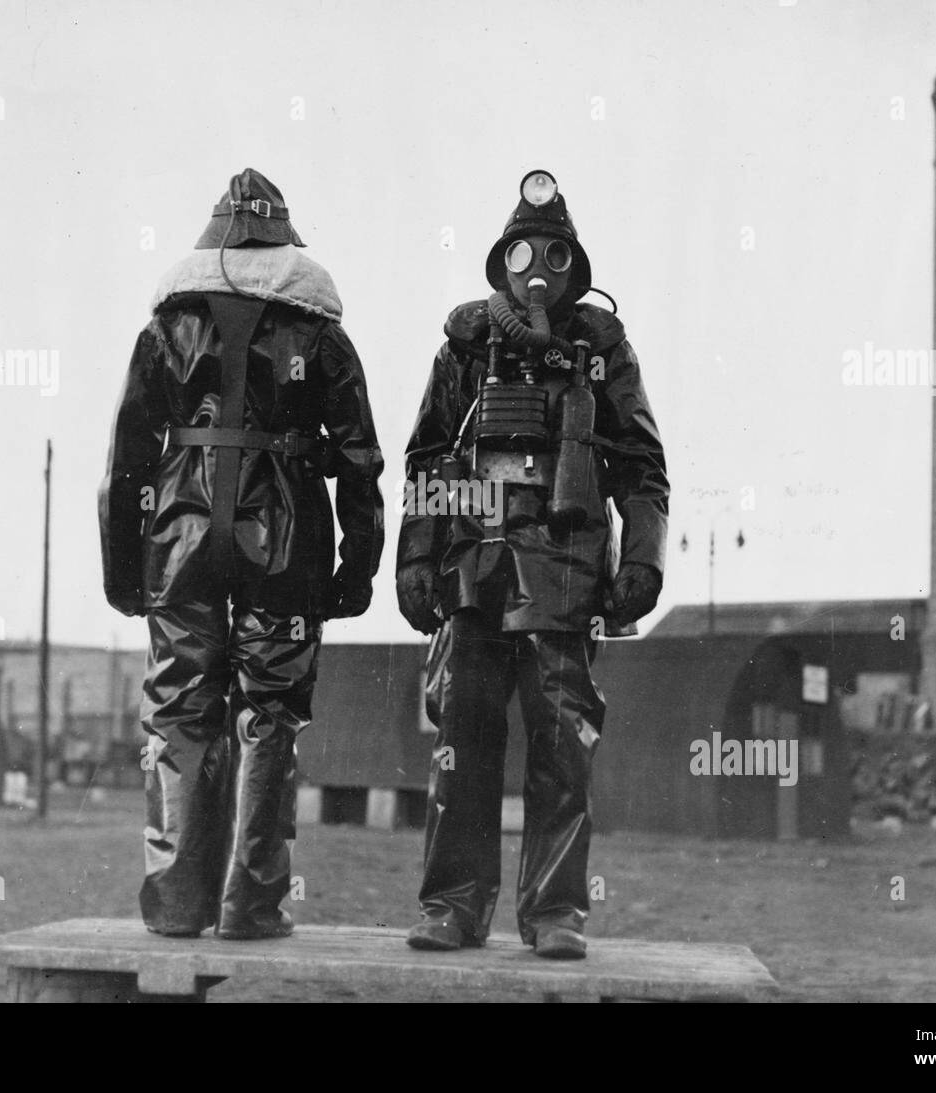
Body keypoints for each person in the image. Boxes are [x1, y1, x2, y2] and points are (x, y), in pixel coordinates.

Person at [99, 169, 384, 939]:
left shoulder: (167, 323)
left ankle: (177, 902)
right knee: (271, 713)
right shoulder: (319, 327)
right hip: (285, 542)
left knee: (182, 715)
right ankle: (252, 903)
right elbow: (359, 458)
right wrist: (355, 572)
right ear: (283, 238)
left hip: (180, 540)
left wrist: (126, 573)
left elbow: (127, 457)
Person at [396, 170, 669, 959]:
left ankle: (555, 912)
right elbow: (425, 457)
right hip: (474, 567)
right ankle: (452, 904)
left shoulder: (601, 351)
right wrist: (417, 556)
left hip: (566, 567)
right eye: (524, 250)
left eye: (553, 251)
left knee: (562, 746)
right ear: (501, 259)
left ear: (575, 263)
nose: (537, 266)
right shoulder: (465, 345)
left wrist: (643, 564)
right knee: (462, 740)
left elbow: (643, 468)